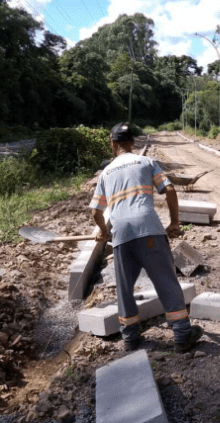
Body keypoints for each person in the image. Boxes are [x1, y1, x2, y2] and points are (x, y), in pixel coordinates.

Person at [89, 123, 203, 353]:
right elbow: (169, 190)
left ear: (113, 144)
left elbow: (95, 211)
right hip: (149, 229)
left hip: (121, 234)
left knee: (124, 289)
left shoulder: (106, 173)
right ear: (132, 143)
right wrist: (174, 222)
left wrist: (103, 230)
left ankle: (130, 338)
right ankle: (182, 336)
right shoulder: (147, 162)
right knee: (166, 282)